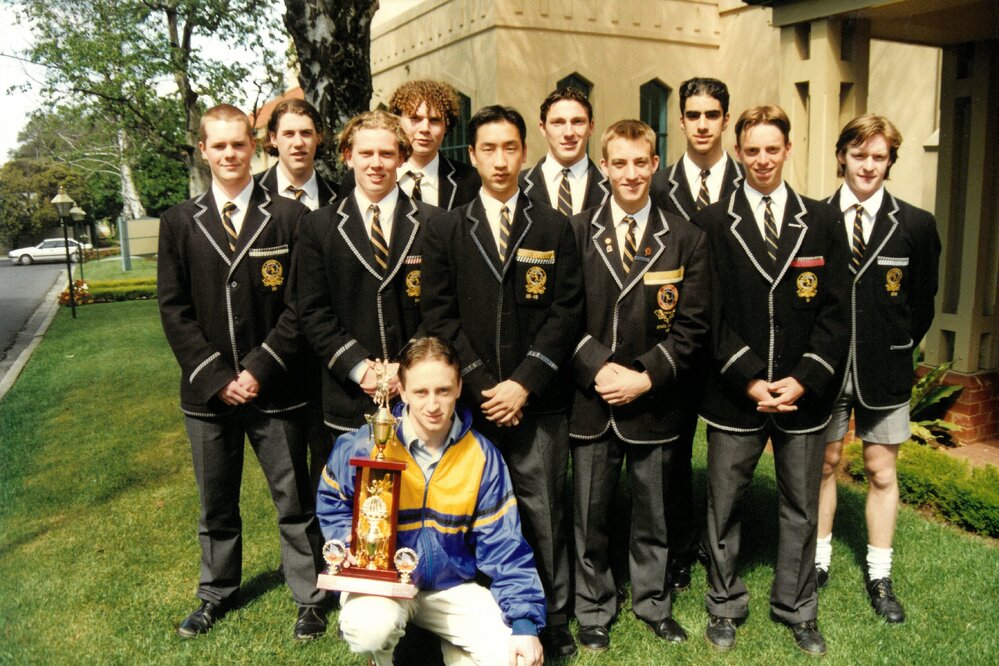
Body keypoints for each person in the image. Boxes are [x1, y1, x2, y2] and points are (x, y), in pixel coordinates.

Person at [157, 103, 328, 640]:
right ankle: (215, 593)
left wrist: (258, 368)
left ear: (254, 145)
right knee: (216, 504)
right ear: (203, 150)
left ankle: (310, 597)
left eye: (239, 144)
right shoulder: (179, 222)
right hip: (208, 396)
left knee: (294, 501)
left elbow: (299, 307)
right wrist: (216, 376)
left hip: (275, 388)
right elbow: (174, 310)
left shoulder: (289, 217)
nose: (230, 154)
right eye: (220, 145)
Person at [421, 104, 584, 658]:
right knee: (473, 512)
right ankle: (488, 613)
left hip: (537, 401)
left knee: (543, 509)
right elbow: (439, 313)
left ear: (524, 152)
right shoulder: (447, 228)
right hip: (474, 401)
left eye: (509, 148)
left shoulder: (553, 225)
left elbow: (566, 312)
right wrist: (483, 384)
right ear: (472, 155)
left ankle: (552, 616)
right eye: (488, 149)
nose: (499, 160)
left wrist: (523, 384)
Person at [696, 105, 849, 656]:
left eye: (771, 149)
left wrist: (804, 379)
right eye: (752, 150)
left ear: (788, 149)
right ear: (739, 153)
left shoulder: (822, 220)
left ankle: (797, 607)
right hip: (735, 394)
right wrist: (749, 378)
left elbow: (836, 313)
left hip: (803, 397)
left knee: (801, 505)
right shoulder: (713, 222)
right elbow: (708, 313)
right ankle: (724, 602)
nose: (762, 159)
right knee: (725, 504)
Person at [316, 337, 546, 666]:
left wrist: (524, 623)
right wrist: (349, 542)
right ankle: (383, 655)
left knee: (516, 660)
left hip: (451, 588)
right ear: (402, 391)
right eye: (421, 392)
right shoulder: (365, 446)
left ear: (459, 387)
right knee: (371, 629)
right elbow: (332, 497)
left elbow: (505, 546)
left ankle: (448, 650)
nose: (433, 404)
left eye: (443, 390)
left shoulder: (482, 456)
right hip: (383, 586)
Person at [568, 120, 710, 652]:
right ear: (603, 167)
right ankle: (593, 607)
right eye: (619, 163)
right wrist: (597, 367)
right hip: (593, 398)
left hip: (654, 401)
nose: (630, 174)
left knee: (654, 512)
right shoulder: (576, 232)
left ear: (655, 165)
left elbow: (693, 325)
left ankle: (653, 602)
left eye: (640, 163)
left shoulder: (685, 238)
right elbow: (562, 316)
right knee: (591, 513)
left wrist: (648, 375)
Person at [814, 115, 941, 623]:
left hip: (884, 370)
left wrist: (894, 346)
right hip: (824, 368)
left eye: (878, 156)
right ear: (841, 156)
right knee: (825, 463)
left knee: (881, 470)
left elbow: (922, 304)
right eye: (859, 154)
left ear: (890, 162)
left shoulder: (915, 224)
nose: (868, 165)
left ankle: (880, 574)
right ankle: (817, 561)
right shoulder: (815, 218)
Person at [649, 76, 745, 592]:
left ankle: (724, 545)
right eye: (693, 115)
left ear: (725, 119)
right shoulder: (658, 186)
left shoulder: (748, 181)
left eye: (712, 115)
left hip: (735, 339)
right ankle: (679, 548)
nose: (703, 124)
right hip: (676, 337)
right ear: (681, 121)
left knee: (732, 458)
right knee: (674, 452)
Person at [295, 110, 436, 438]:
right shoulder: (318, 226)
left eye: (386, 153)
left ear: (402, 158)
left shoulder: (434, 223)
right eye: (365, 153)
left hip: (419, 394)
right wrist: (360, 368)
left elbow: (441, 308)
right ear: (348, 157)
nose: (376, 163)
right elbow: (313, 311)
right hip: (350, 396)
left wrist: (407, 367)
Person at [341, 80, 480, 210]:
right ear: (398, 121)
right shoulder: (358, 178)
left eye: (434, 120)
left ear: (446, 126)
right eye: (415, 118)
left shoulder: (470, 180)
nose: (425, 129)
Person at [521, 87, 609, 215]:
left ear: (591, 126)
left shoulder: (614, 187)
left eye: (577, 122)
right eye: (558, 122)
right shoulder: (517, 186)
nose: (569, 133)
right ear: (543, 128)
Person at [256, 98, 338, 210]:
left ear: (319, 137)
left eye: (306, 133)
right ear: (273, 138)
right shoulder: (252, 191)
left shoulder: (340, 197)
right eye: (289, 134)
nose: (298, 143)